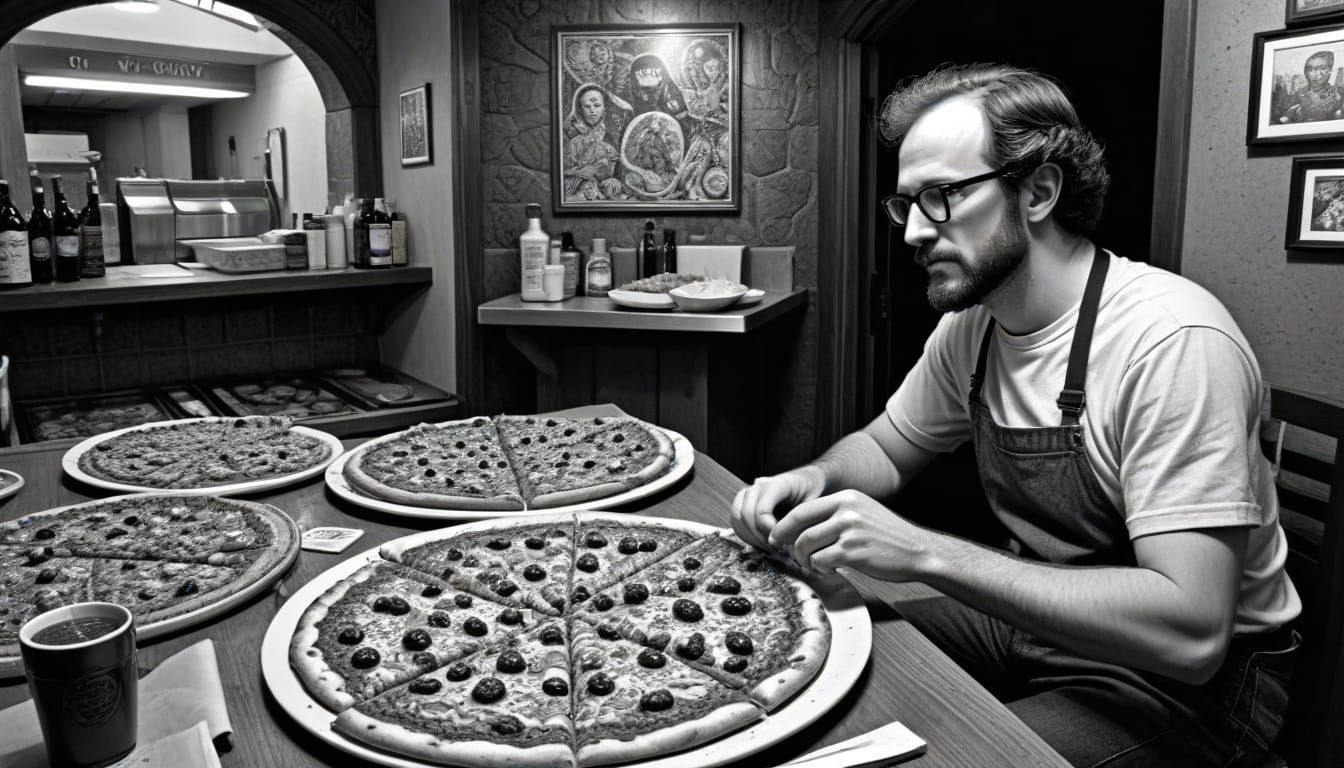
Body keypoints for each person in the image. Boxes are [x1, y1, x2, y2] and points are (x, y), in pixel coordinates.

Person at [731, 63, 1300, 767]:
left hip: (1194, 688)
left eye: (939, 197)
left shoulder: (1174, 341)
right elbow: (886, 445)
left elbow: (1191, 633)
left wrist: (925, 554)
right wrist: (813, 478)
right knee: (814, 640)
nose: (911, 231)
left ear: (1038, 191)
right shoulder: (977, 324)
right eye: (905, 203)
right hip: (1042, 627)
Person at [562, 83, 623, 201]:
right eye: (587, 106)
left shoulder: (612, 137)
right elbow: (564, 173)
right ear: (580, 109)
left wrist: (614, 183)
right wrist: (582, 174)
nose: (592, 111)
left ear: (604, 108)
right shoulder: (570, 137)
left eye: (597, 105)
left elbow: (619, 174)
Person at [1278, 50, 1343, 123]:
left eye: (1322, 68)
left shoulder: (1338, 94)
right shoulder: (1297, 95)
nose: (1316, 73)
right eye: (1310, 69)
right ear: (1306, 73)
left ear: (1330, 70)